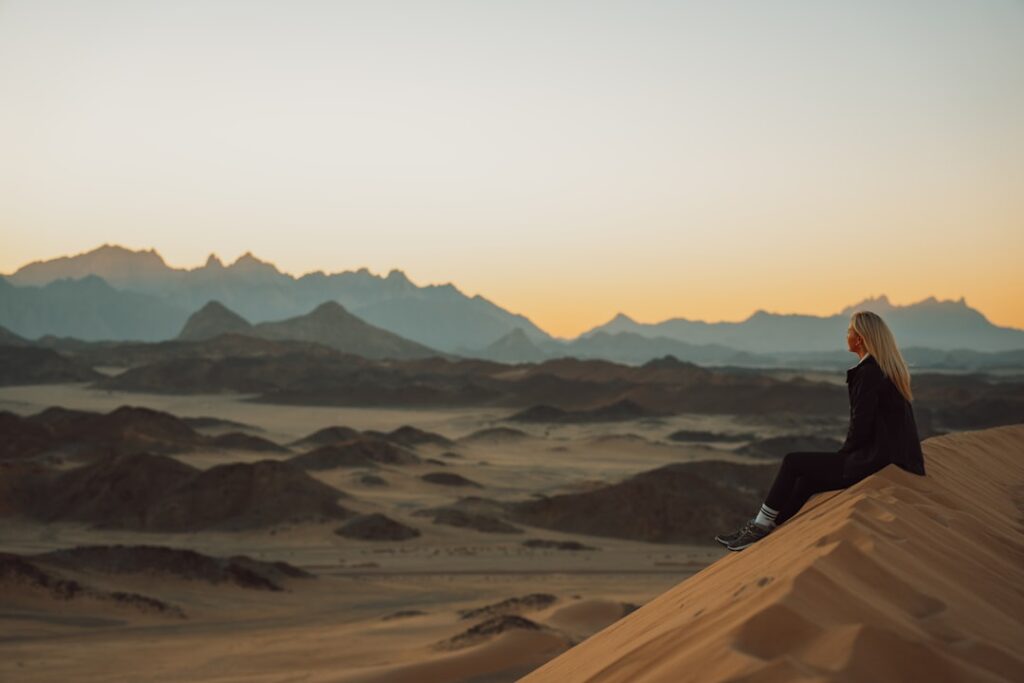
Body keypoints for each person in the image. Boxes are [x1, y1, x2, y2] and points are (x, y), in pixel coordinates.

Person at [716, 310, 926, 551]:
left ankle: (759, 527)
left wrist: (845, 454)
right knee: (807, 480)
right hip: (892, 458)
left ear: (860, 338)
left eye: (849, 331)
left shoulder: (869, 372)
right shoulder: (886, 370)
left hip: (875, 461)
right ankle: (766, 528)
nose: (846, 335)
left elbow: (861, 423)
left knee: (793, 462)